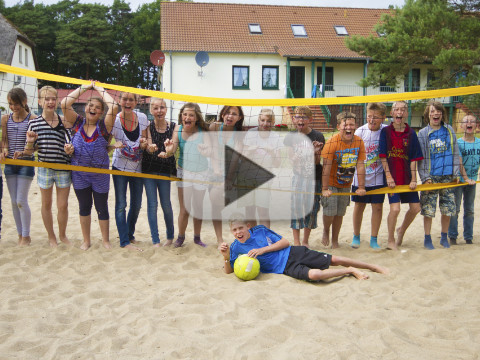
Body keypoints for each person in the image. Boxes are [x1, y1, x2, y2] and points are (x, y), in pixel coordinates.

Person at [219, 215, 388, 282]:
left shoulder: (260, 231)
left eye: (240, 228)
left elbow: (285, 242)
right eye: (234, 230)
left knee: (334, 259)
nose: (238, 232)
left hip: (293, 252)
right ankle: (350, 270)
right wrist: (226, 256)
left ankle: (372, 266)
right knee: (315, 275)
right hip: (284, 268)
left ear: (248, 226)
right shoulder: (235, 248)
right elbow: (228, 271)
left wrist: (262, 250)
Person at [60, 82, 118, 250]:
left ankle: (106, 241)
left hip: (100, 175)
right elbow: (64, 103)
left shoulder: (103, 126)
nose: (93, 109)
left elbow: (114, 106)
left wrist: (97, 87)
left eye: (98, 107)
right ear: (85, 108)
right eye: (90, 105)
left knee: (102, 207)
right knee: (84, 207)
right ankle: (87, 241)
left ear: (101, 112)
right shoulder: (77, 122)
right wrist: (86, 87)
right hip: (80, 174)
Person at [15, 86, 71, 247]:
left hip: (63, 168)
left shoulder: (63, 121)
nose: (50, 102)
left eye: (53, 99)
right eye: (47, 99)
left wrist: (69, 149)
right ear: (40, 102)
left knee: (63, 205)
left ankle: (62, 235)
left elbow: (69, 145)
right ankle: (51, 236)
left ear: (57, 101)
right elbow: (30, 150)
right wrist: (28, 144)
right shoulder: (34, 123)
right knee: (46, 204)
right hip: (45, 168)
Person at [162, 102, 211, 247]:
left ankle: (197, 238)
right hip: (184, 171)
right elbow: (172, 149)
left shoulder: (203, 130)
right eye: (185, 114)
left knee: (198, 207)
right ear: (181, 116)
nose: (187, 117)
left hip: (201, 172)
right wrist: (168, 150)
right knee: (184, 209)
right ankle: (180, 238)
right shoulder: (178, 129)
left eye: (191, 115)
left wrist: (205, 151)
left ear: (196, 118)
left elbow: (209, 151)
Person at [379, 101, 423, 250]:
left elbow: (413, 160)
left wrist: (414, 179)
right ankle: (391, 240)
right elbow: (383, 157)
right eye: (396, 109)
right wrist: (389, 177)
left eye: (403, 110)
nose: (400, 112)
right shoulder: (385, 132)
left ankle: (401, 230)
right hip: (392, 178)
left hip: (406, 178)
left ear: (406, 113)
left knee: (416, 208)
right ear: (392, 113)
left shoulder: (411, 133)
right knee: (395, 209)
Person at [418, 100, 460, 250]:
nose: (436, 113)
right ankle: (427, 238)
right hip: (431, 177)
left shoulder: (449, 130)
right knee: (428, 210)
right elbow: (420, 159)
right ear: (427, 115)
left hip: (448, 176)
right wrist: (425, 178)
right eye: (432, 111)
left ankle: (444, 237)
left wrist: (456, 172)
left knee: (447, 209)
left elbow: (455, 152)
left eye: (439, 111)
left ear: (442, 114)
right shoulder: (423, 133)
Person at [321, 112, 366, 249]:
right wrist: (324, 189)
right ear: (338, 127)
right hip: (331, 182)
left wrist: (361, 187)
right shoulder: (332, 142)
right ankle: (326, 230)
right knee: (330, 212)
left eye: (351, 124)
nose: (349, 127)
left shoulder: (358, 141)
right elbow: (326, 167)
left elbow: (360, 165)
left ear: (356, 126)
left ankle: (335, 240)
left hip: (346, 183)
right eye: (345, 124)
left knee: (340, 213)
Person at [111, 92, 149, 251]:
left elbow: (145, 142)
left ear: (136, 102)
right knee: (121, 204)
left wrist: (144, 144)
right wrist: (114, 145)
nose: (127, 102)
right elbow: (106, 144)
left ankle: (129, 234)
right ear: (119, 101)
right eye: (124, 99)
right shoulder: (114, 120)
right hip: (119, 166)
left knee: (137, 204)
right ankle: (124, 241)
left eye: (131, 99)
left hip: (137, 167)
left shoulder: (142, 118)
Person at [283, 106, 324, 247]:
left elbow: (317, 162)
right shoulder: (291, 136)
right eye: (298, 117)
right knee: (296, 208)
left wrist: (315, 152)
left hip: (314, 177)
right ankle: (296, 241)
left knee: (312, 209)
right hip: (299, 177)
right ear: (293, 119)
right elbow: (292, 160)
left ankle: (305, 241)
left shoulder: (318, 136)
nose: (301, 120)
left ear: (310, 119)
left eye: (304, 117)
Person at [0, 88, 36, 246]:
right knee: (14, 201)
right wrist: (4, 149)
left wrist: (23, 152)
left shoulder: (33, 119)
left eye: (16, 104)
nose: (13, 107)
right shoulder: (5, 118)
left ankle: (26, 236)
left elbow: (36, 146)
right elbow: (4, 140)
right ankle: (20, 234)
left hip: (26, 162)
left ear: (24, 102)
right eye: (10, 104)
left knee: (21, 200)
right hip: (10, 163)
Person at [238, 108, 282, 227]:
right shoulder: (251, 133)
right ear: (258, 120)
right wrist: (249, 151)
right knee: (249, 211)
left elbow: (278, 164)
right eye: (262, 120)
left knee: (263, 211)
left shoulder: (276, 137)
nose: (265, 123)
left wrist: (272, 152)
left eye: (268, 121)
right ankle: (253, 238)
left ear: (273, 123)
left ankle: (266, 239)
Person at [351, 103, 387, 249]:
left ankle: (374, 238)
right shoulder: (360, 131)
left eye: (376, 117)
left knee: (377, 207)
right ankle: (356, 236)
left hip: (378, 176)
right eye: (369, 116)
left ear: (383, 117)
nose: (372, 120)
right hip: (360, 177)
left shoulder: (385, 131)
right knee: (359, 206)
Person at [208, 105, 245, 247]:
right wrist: (217, 171)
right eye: (227, 113)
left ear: (239, 117)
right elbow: (211, 150)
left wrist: (228, 179)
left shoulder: (239, 134)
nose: (230, 116)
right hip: (213, 171)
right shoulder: (214, 127)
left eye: (234, 114)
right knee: (216, 204)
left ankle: (243, 234)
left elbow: (236, 159)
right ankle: (219, 239)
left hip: (232, 171)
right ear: (222, 114)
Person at [142, 98, 176, 247]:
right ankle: (155, 240)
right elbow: (147, 145)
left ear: (166, 109)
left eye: (162, 107)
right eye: (155, 108)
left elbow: (173, 148)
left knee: (166, 204)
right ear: (151, 111)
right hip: (149, 169)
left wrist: (168, 151)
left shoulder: (174, 126)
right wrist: (149, 148)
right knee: (152, 204)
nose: (159, 111)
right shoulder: (147, 126)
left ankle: (170, 237)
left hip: (165, 169)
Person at [448, 114, 479, 245]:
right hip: (458, 181)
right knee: (455, 209)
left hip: (473, 181)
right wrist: (466, 178)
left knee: (470, 209)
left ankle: (468, 237)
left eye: (472, 121)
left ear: (476, 126)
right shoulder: (458, 143)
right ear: (461, 126)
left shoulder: (478, 143)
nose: (469, 123)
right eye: (466, 122)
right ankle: (453, 236)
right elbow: (459, 163)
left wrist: (471, 179)